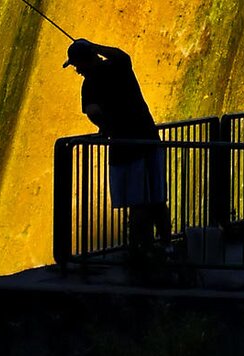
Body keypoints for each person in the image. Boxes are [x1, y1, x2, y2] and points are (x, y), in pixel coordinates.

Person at [63, 38, 171, 258]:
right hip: (148, 138)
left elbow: (93, 112)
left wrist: (108, 128)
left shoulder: (90, 84)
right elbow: (121, 54)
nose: (77, 71)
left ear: (86, 60)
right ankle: (164, 244)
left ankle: (142, 249)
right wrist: (95, 47)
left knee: (137, 201)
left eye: (77, 65)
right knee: (156, 197)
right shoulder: (119, 67)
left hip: (125, 146)